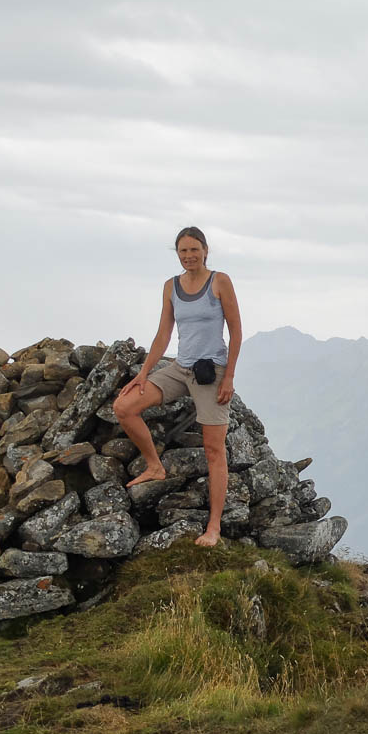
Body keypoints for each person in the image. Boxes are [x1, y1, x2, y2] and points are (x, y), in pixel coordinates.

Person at [112, 226, 242, 547]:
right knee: (124, 407)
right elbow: (163, 334)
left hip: (211, 372)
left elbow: (237, 332)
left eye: (194, 250)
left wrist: (229, 377)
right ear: (178, 253)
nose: (189, 256)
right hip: (179, 369)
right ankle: (155, 466)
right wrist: (143, 374)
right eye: (183, 251)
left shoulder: (220, 282)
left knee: (214, 450)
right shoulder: (170, 287)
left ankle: (213, 528)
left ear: (205, 250)